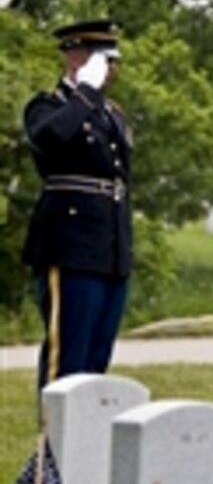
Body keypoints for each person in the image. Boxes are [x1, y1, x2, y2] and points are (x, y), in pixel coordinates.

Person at [22, 19, 132, 390]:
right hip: (69, 243)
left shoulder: (111, 113)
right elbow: (50, 137)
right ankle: (50, 445)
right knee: (67, 353)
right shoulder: (47, 106)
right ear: (75, 56)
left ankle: (86, 443)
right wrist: (84, 90)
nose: (111, 68)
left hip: (109, 245)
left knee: (97, 356)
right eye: (103, 59)